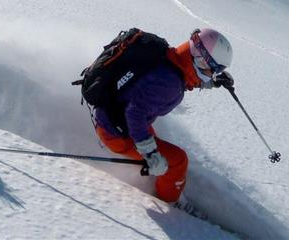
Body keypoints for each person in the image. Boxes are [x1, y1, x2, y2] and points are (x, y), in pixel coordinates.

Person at [93, 28, 234, 215]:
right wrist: (150, 153)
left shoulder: (171, 59)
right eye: (214, 68)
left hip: (114, 113)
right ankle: (171, 204)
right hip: (116, 132)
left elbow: (184, 76)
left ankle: (157, 170)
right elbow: (135, 113)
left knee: (160, 148)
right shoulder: (170, 84)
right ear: (201, 59)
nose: (213, 73)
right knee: (178, 162)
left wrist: (212, 81)